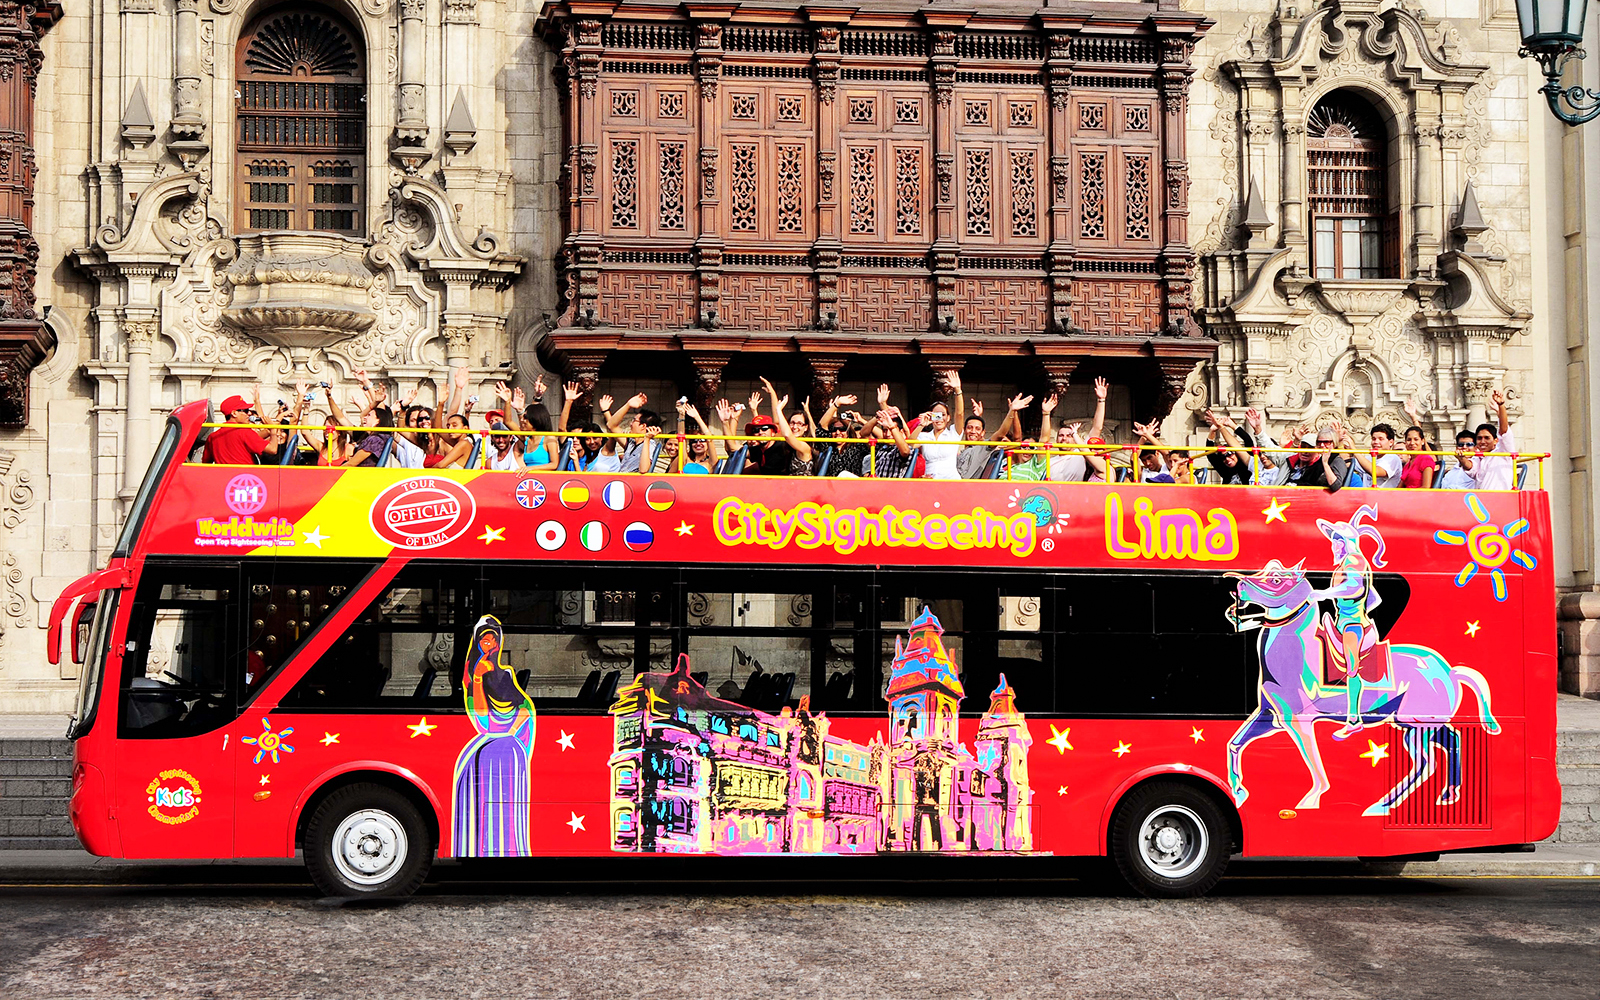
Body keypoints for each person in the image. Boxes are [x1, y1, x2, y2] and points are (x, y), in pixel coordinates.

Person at [204, 387, 274, 464]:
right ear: (234, 413)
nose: (249, 413)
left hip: (222, 475)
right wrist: (273, 429)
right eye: (245, 411)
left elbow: (206, 463)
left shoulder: (213, 437)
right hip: (245, 475)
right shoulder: (245, 432)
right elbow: (273, 449)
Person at [761, 377, 816, 475]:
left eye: (799, 424)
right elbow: (777, 423)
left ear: (805, 427)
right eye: (792, 423)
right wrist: (773, 394)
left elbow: (787, 435)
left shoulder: (805, 446)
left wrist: (779, 410)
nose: (795, 427)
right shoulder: (790, 443)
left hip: (802, 487)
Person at [915, 372, 963, 479]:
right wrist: (921, 425)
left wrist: (958, 390)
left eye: (943, 415)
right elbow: (909, 445)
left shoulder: (953, 434)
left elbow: (959, 414)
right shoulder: (924, 436)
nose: (939, 419)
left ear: (948, 418)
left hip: (950, 481)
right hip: (930, 481)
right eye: (936, 415)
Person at [1470, 388, 1517, 491]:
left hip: (1500, 499)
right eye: (1479, 438)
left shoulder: (1503, 452)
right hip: (1480, 502)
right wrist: (1461, 457)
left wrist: (1501, 406)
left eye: (1487, 438)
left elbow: (1504, 430)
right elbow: (1470, 468)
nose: (1482, 441)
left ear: (1496, 440)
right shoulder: (1478, 458)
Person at [1202, 409, 1254, 485]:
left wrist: (1232, 425)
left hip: (1246, 494)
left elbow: (1248, 440)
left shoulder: (1246, 463)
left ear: (1236, 453)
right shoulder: (1224, 469)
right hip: (1228, 495)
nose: (1227, 459)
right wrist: (1212, 431)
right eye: (1223, 458)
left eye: (1229, 454)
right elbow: (1209, 453)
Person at [1292, 423, 1349, 491]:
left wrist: (1325, 464)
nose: (1322, 445)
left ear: (1333, 443)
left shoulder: (1338, 461)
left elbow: (1335, 485)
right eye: (1319, 442)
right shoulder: (1319, 461)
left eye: (1326, 442)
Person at [1349, 422, 1403, 488]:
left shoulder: (1393, 458)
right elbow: (1348, 463)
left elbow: (1376, 472)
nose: (1376, 442)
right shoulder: (1368, 458)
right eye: (1373, 439)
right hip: (1367, 496)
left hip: (1385, 497)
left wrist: (1354, 450)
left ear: (1391, 442)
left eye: (1381, 439)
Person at [956, 399, 995, 479]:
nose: (973, 431)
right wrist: (977, 417)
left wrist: (1012, 411)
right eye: (969, 428)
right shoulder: (967, 449)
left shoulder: (983, 448)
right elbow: (970, 443)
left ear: (983, 432)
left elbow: (980, 442)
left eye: (977, 428)